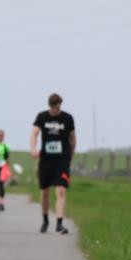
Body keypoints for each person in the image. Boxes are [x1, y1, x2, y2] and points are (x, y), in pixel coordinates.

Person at [30, 92, 76, 234]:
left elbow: (72, 138)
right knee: (45, 192)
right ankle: (45, 221)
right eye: (52, 108)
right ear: (49, 106)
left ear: (60, 105)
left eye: (57, 107)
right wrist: (33, 148)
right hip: (46, 160)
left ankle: (59, 223)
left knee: (61, 190)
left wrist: (70, 156)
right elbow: (34, 134)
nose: (55, 110)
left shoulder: (67, 118)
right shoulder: (42, 116)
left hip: (61, 160)